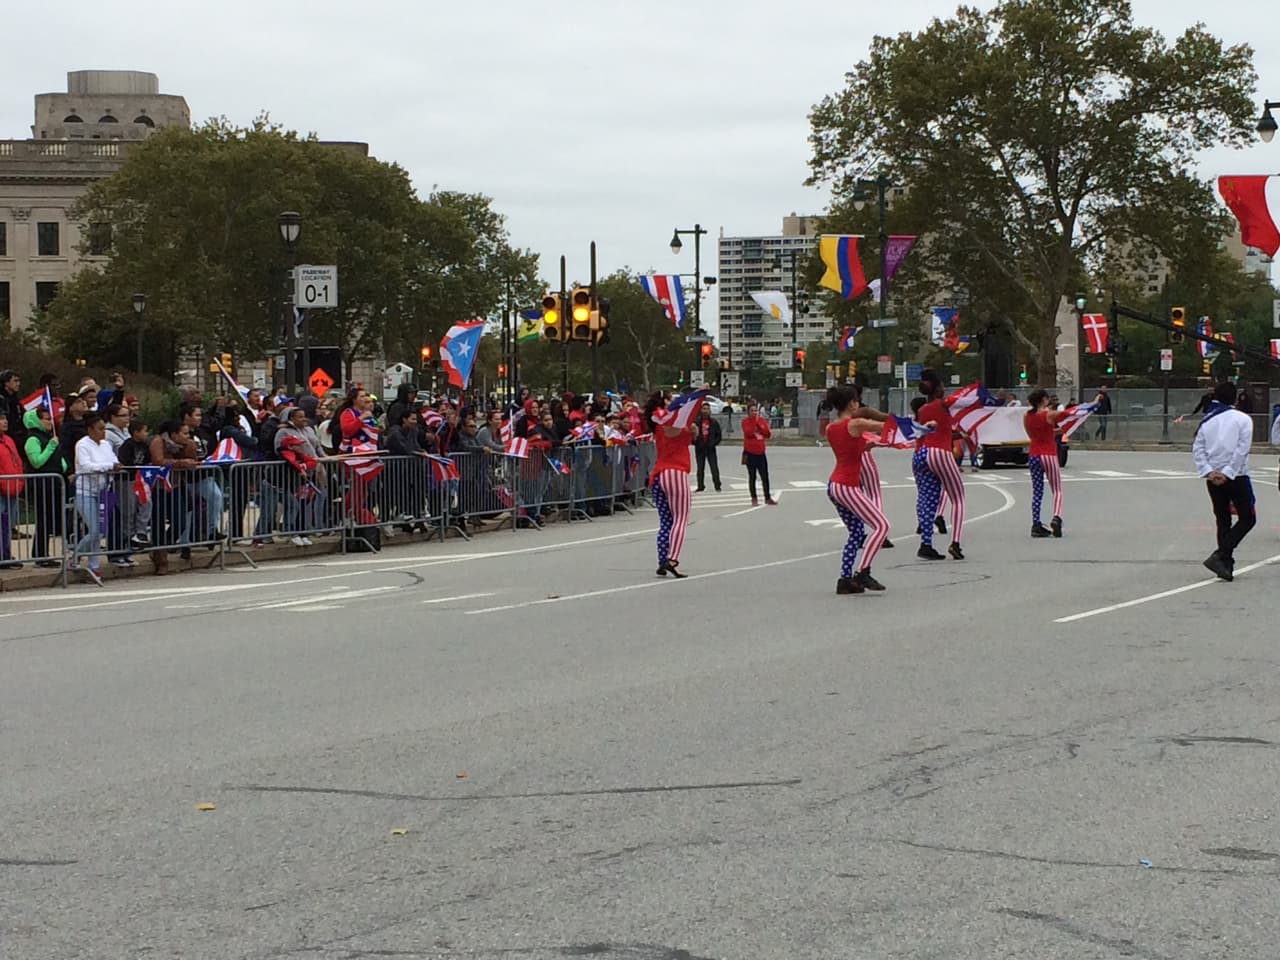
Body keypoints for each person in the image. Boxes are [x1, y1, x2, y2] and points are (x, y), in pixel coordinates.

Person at [821, 385, 892, 594]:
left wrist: (874, 445)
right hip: (847, 486)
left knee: (856, 532)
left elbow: (850, 449)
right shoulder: (857, 423)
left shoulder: (831, 428)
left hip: (834, 486)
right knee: (882, 526)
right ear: (852, 403)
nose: (858, 404)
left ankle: (845, 580)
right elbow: (881, 425)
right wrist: (918, 426)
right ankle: (863, 571)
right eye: (856, 401)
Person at [1192, 381, 1256, 582]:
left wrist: (1208, 471)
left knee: (1223, 518)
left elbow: (1198, 448)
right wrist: (1228, 472)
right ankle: (1222, 554)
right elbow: (1241, 449)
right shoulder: (1243, 419)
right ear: (1235, 398)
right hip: (1236, 475)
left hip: (1213, 477)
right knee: (1247, 518)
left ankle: (1225, 562)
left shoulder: (1207, 420)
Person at [914, 369, 966, 560]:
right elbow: (966, 401)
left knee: (928, 499)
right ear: (937, 388)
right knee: (958, 498)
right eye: (943, 385)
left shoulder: (922, 410)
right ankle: (956, 542)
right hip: (941, 452)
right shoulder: (944, 405)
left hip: (923, 452)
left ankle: (926, 544)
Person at [645, 392, 694, 578]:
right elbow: (675, 431)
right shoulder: (668, 421)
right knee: (681, 518)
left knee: (666, 521)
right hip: (675, 471)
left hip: (659, 474)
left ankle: (662, 559)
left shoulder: (661, 422)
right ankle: (672, 558)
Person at [71, 413, 122, 585]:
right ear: (90, 430)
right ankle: (75, 556)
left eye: (104, 429)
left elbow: (114, 460)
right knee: (93, 529)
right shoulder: (82, 445)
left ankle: (94, 565)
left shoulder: (106, 445)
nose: (103, 433)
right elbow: (86, 466)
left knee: (100, 530)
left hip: (103, 492)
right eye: (100, 429)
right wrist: (109, 467)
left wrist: (115, 468)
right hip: (85, 491)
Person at [21, 407, 64, 567]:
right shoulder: (33, 439)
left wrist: (63, 465)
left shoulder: (48, 437)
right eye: (45, 419)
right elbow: (37, 461)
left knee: (49, 520)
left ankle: (44, 553)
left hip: (52, 484)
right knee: (43, 520)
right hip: (40, 486)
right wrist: (51, 446)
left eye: (49, 418)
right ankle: (39, 555)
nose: (49, 422)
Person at [1024, 389, 1067, 538]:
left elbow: (1031, 434)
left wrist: (1052, 432)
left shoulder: (1027, 416)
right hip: (1048, 453)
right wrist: (1092, 405)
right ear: (1043, 399)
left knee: (1037, 490)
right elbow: (1068, 414)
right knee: (1057, 489)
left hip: (1034, 454)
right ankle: (1056, 516)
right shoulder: (1048, 414)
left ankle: (1036, 523)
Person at [0, 409, 24, 569]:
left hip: (12, 487)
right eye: (1, 419)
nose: (4, 421)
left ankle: (6, 553)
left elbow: (17, 462)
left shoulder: (9, 440)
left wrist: (20, 481)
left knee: (8, 524)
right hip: (1, 488)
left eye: (5, 418)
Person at [741, 401, 776, 506]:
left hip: (761, 452)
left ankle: (767, 497)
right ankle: (754, 497)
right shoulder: (745, 421)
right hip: (750, 452)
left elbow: (767, 434)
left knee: (765, 476)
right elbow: (749, 433)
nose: (754, 412)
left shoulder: (761, 420)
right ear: (748, 412)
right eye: (752, 411)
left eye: (755, 410)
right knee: (752, 476)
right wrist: (754, 423)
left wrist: (760, 425)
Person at [693, 407, 722, 492]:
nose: (705, 411)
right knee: (700, 468)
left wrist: (714, 443)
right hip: (700, 448)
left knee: (714, 467)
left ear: (710, 411)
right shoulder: (697, 422)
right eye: (703, 409)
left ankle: (717, 485)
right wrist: (696, 442)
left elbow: (718, 435)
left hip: (710, 448)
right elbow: (692, 434)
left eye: (707, 409)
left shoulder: (714, 422)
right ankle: (700, 485)